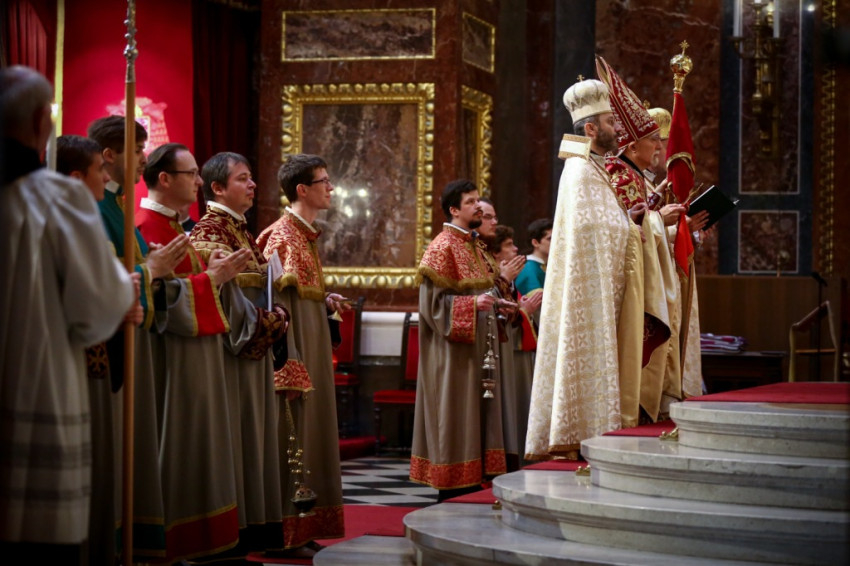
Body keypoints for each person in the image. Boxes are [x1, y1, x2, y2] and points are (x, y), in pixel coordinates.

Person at [0, 65, 137, 565]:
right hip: (36, 384)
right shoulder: (57, 199)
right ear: (42, 120)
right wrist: (125, 289)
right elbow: (94, 309)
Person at [137, 142, 253, 562]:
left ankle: (204, 543)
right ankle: (173, 545)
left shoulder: (176, 229)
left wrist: (212, 271)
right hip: (170, 367)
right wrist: (212, 279)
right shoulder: (144, 228)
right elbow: (156, 301)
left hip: (198, 361)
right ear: (165, 179)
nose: (199, 182)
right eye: (191, 174)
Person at [87, 117, 191, 562]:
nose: (143, 158)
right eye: (135, 150)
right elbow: (100, 278)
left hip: (135, 336)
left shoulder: (120, 207)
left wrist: (152, 270)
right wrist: (152, 270)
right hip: (107, 346)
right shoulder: (96, 210)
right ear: (108, 156)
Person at [525, 77, 644, 461]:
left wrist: (629, 221)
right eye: (610, 122)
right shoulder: (579, 170)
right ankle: (579, 433)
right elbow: (591, 228)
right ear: (590, 129)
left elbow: (605, 222)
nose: (617, 127)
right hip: (586, 293)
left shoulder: (596, 167)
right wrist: (632, 227)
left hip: (599, 286)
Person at [191, 152, 289, 553]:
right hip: (231, 359)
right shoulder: (210, 235)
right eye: (242, 178)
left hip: (252, 355)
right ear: (217, 188)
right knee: (236, 441)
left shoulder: (240, 231)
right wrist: (273, 322)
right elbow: (226, 306)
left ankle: (251, 532)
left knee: (252, 442)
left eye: (251, 178)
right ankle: (229, 539)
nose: (252, 185)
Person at [257, 154, 346, 557]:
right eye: (324, 181)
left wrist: (322, 303)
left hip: (313, 355)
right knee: (293, 443)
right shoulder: (282, 237)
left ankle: (305, 528)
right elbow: (273, 306)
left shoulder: (305, 236)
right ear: (302, 190)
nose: (331, 188)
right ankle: (285, 533)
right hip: (294, 362)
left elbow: (299, 300)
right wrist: (287, 366)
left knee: (312, 440)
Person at [598, 56, 689, 424]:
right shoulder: (619, 175)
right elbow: (620, 228)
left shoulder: (635, 175)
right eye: (654, 142)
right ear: (633, 146)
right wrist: (658, 221)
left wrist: (667, 222)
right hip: (629, 286)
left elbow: (637, 219)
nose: (659, 150)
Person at [410, 179, 510, 500]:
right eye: (470, 202)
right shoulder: (442, 248)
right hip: (453, 355)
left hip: (479, 349)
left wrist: (498, 302)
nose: (478, 206)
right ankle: (452, 491)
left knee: (478, 416)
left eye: (478, 200)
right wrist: (472, 304)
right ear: (454, 209)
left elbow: (484, 292)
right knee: (456, 416)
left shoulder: (475, 246)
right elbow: (432, 307)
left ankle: (472, 485)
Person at [485, 224, 542, 470]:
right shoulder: (494, 279)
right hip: (508, 353)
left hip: (519, 349)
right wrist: (524, 310)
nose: (516, 249)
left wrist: (522, 308)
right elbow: (495, 312)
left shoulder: (509, 279)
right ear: (496, 253)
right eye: (509, 245)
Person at [515, 217, 553, 298]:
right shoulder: (529, 269)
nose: (555, 243)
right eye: (550, 239)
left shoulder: (546, 265)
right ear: (535, 243)